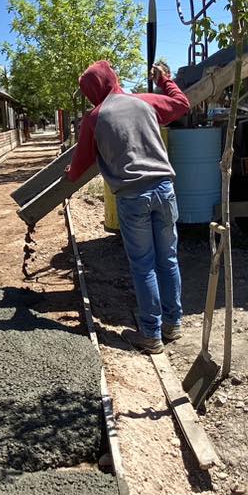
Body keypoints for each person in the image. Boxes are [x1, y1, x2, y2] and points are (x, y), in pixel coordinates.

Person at [66, 60, 190, 354]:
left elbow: (81, 163)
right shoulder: (143, 102)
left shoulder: (95, 118)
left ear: (91, 91)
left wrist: (69, 173)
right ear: (113, 78)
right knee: (168, 260)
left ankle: (150, 334)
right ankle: (173, 325)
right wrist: (165, 81)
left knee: (143, 265)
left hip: (133, 197)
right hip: (164, 189)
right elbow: (181, 104)